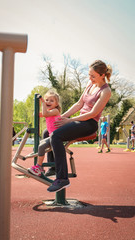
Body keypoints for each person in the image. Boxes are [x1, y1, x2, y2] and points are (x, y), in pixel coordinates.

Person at [46, 60, 112, 193]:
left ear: (102, 75)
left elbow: (93, 113)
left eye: (93, 76)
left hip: (89, 124)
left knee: (56, 136)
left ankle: (62, 178)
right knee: (47, 132)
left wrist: (69, 121)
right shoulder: (90, 84)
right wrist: (61, 118)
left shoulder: (106, 91)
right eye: (89, 75)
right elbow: (78, 104)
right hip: (78, 120)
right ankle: (53, 167)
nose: (90, 78)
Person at [28, 90, 61, 176]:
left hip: (58, 136)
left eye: (51, 100)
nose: (48, 102)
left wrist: (43, 102)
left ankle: (39, 167)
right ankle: (41, 166)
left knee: (41, 146)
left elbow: (45, 114)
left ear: (56, 104)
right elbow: (35, 114)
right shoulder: (48, 110)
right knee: (40, 145)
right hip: (52, 135)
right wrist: (39, 104)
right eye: (47, 100)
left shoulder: (55, 111)